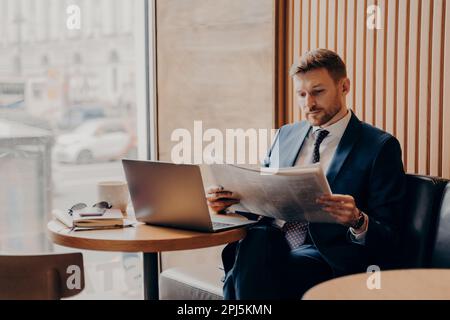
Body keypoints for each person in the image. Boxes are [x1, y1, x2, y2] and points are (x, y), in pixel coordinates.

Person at [206, 48, 406, 300]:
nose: (308, 103)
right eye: (301, 94)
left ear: (344, 86)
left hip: (326, 257)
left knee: (250, 260)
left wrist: (357, 220)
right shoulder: (285, 135)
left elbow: (391, 235)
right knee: (260, 239)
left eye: (317, 92)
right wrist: (228, 203)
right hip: (267, 246)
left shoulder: (379, 147)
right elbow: (262, 201)